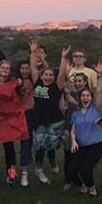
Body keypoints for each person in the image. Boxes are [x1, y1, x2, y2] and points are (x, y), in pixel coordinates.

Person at [29, 41, 69, 184]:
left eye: (50, 75)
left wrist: (63, 58)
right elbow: (33, 67)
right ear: (42, 75)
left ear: (53, 77)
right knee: (38, 144)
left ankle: (62, 135)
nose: (47, 77)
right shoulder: (37, 83)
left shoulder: (56, 86)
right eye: (45, 74)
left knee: (51, 144)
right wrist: (33, 52)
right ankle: (39, 168)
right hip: (40, 119)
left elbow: (62, 74)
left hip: (55, 120)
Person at [68, 73, 102, 196]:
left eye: (88, 96)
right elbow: (73, 130)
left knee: (85, 170)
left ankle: (93, 192)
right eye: (83, 96)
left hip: (95, 145)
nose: (85, 98)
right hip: (81, 146)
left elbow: (99, 92)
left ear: (91, 98)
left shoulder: (95, 109)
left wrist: (99, 76)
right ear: (80, 98)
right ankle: (82, 188)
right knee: (71, 172)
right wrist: (73, 141)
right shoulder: (76, 113)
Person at [16, 59, 35, 187]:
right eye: (22, 68)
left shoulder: (35, 80)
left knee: (34, 139)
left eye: (27, 68)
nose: (25, 71)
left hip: (34, 112)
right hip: (20, 113)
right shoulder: (15, 82)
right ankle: (24, 171)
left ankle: (30, 161)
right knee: (25, 140)